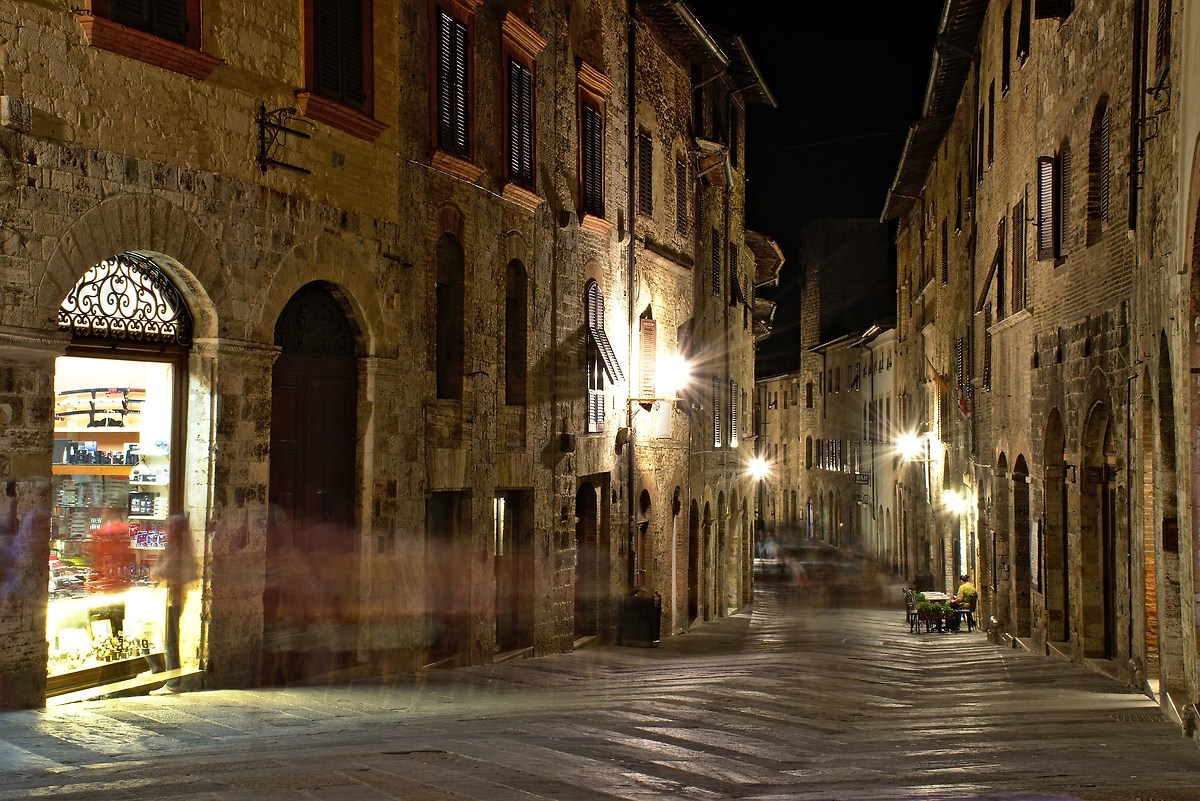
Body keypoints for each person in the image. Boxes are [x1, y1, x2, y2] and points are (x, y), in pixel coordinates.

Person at [148, 514, 199, 695]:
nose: (166, 531)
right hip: (172, 598)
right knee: (166, 637)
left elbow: (162, 571)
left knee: (170, 640)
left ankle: (173, 682)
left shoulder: (177, 550)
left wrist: (160, 567)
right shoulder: (177, 548)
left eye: (169, 528)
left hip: (172, 599)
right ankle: (163, 673)